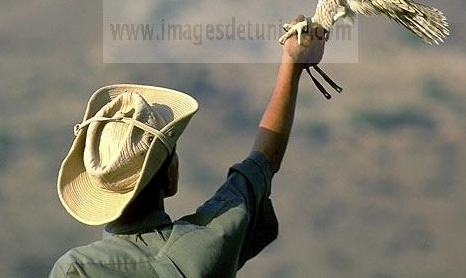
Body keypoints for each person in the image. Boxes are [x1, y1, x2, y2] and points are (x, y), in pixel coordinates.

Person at [50, 17, 326, 277]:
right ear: (171, 175)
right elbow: (265, 158)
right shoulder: (209, 244)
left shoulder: (78, 269)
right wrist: (292, 63)